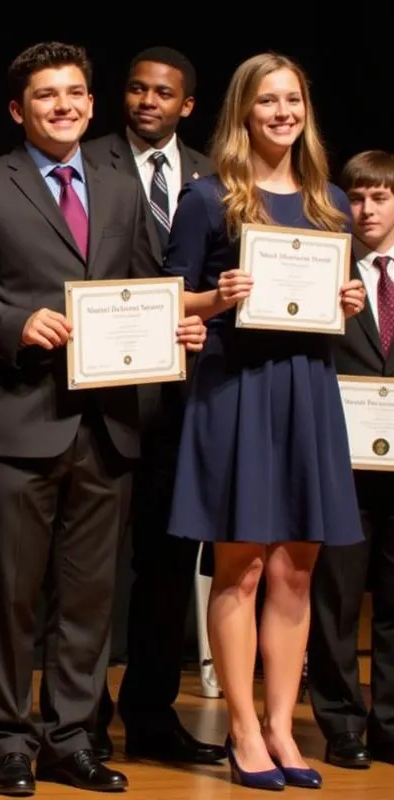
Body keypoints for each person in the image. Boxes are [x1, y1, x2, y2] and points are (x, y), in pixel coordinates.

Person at [0, 41, 206, 796]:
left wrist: (181, 322)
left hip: (110, 422)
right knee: (11, 599)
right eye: (47, 96)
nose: (64, 106)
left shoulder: (120, 186)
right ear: (20, 110)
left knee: (87, 601)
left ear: (90, 102)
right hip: (21, 422)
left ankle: (71, 739)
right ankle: (10, 742)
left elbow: (149, 283)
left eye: (76, 93)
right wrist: (18, 323)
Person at [163, 52, 366, 790]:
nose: (282, 112)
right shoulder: (208, 197)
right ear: (243, 112)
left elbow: (332, 306)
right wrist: (218, 296)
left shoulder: (328, 202)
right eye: (267, 101)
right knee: (242, 566)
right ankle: (243, 729)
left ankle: (284, 727)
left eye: (293, 100)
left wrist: (345, 303)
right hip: (236, 392)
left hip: (307, 389)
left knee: (296, 568)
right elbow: (171, 299)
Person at [85, 48, 224, 765]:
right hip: (104, 394)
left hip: (187, 401)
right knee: (87, 565)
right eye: (136, 87)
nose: (147, 100)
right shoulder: (86, 162)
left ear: (186, 104)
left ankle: (150, 715)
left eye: (163, 92)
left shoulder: (215, 178)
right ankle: (80, 716)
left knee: (168, 563)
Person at [308, 149, 394, 770]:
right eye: (356, 198)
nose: (365, 210)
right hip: (342, 459)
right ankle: (341, 723)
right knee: (334, 599)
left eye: (380, 197)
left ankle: (389, 723)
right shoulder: (321, 270)